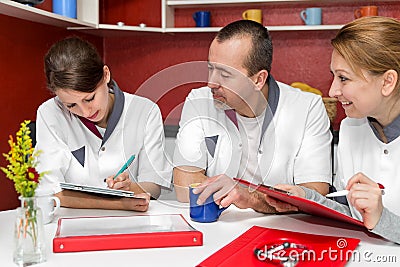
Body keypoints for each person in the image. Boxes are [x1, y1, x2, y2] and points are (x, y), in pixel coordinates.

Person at [173, 20, 332, 213]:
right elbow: (184, 186)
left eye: (224, 74)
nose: (211, 83)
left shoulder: (308, 108)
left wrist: (251, 198)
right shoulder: (198, 100)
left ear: (258, 79)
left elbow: (315, 194)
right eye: (210, 68)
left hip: (284, 230)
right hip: (218, 226)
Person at [268, 16, 400, 244]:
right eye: (334, 77)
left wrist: (382, 218)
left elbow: (376, 219)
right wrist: (305, 198)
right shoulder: (351, 127)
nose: (332, 91)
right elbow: (350, 212)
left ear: (387, 82)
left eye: (343, 78)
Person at [35, 37, 172, 211]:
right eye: (71, 105)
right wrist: (117, 201)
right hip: (73, 222)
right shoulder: (50, 113)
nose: (85, 112)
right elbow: (51, 191)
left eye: (90, 98)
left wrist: (128, 188)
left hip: (129, 222)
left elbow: (153, 185)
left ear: (106, 74)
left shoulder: (145, 110)